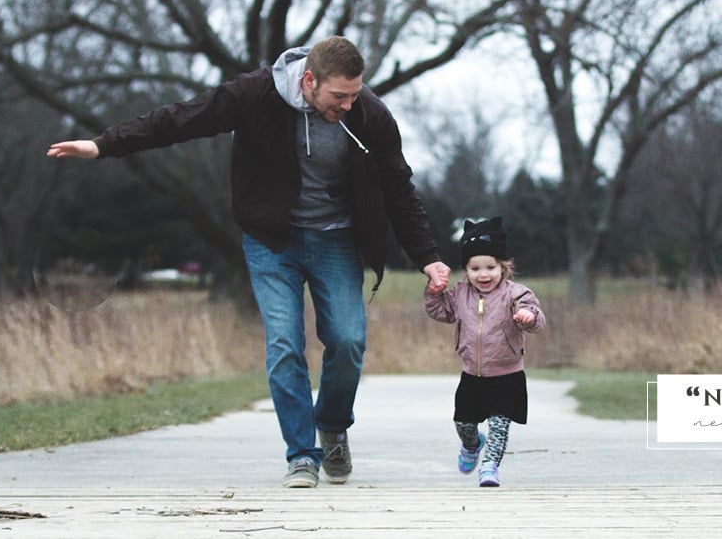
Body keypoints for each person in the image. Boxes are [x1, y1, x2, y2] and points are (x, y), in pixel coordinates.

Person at [47, 36, 451, 488]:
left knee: (348, 340)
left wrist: (428, 259)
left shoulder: (369, 115)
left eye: (355, 93)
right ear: (309, 80)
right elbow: (182, 119)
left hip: (335, 239)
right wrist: (103, 145)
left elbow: (399, 188)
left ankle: (333, 425)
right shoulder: (256, 93)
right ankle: (302, 454)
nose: (348, 104)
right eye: (339, 96)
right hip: (271, 239)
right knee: (284, 345)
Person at [424, 217, 544, 487]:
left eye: (491, 267)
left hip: (507, 375)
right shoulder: (459, 294)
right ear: (466, 270)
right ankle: (472, 443)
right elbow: (439, 311)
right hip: (471, 375)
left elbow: (537, 317)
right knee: (464, 424)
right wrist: (433, 293)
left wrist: (528, 316)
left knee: (500, 427)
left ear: (503, 267)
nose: (484, 274)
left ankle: (489, 468)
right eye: (475, 268)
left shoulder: (516, 295)